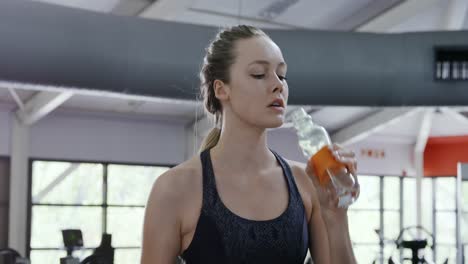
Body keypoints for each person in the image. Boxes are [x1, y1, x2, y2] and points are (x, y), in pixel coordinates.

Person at [141, 25, 359, 264]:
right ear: (221, 89)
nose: (278, 85)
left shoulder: (305, 182)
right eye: (258, 74)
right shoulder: (175, 188)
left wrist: (336, 215)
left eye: (282, 75)